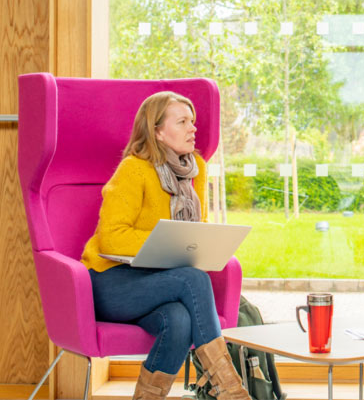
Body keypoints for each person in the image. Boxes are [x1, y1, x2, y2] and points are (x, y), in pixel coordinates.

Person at [80, 91, 250, 400]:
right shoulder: (134, 169)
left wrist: (206, 243)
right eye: (182, 121)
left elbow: (195, 232)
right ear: (157, 131)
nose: (193, 129)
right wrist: (167, 242)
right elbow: (112, 236)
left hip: (157, 282)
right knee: (193, 278)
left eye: (193, 121)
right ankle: (231, 392)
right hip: (112, 282)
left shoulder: (194, 169)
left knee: (179, 320)